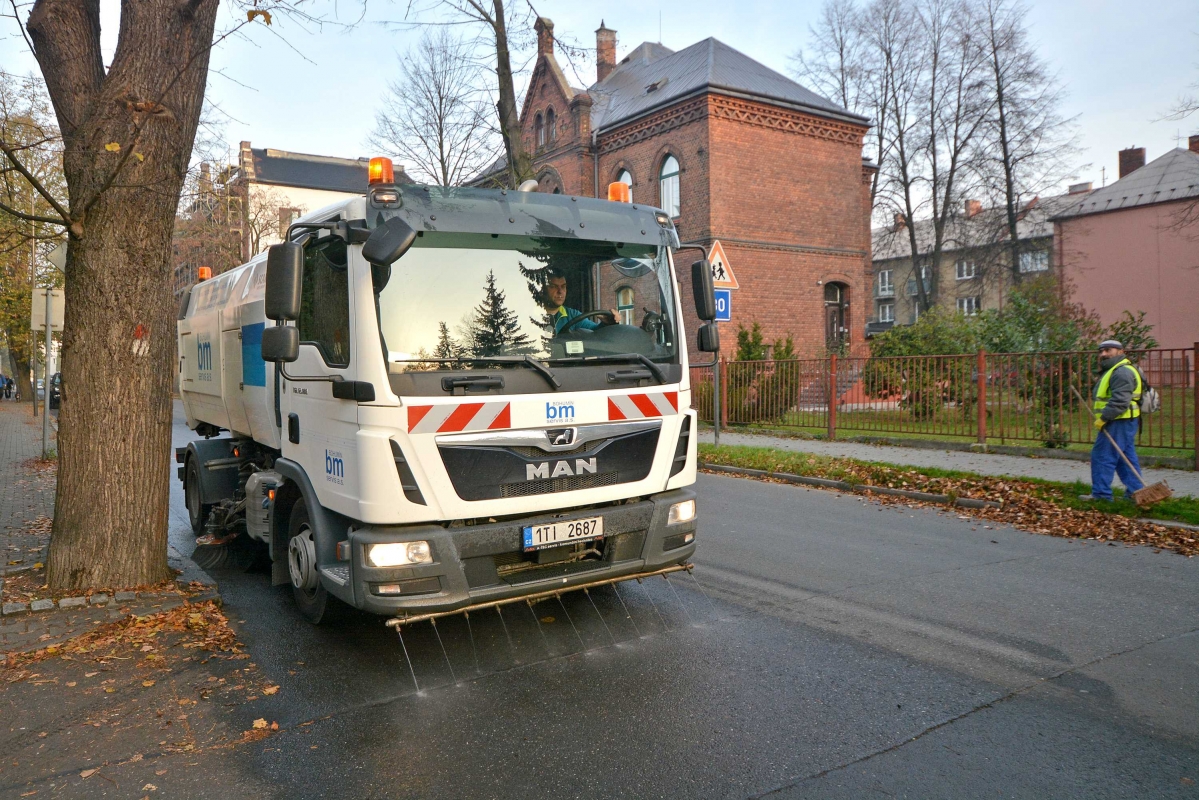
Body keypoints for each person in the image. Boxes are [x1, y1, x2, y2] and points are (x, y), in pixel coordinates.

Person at [1080, 339, 1146, 502]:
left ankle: (1101, 495)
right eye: (1101, 351)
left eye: (1108, 350)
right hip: (1123, 422)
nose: (1103, 354)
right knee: (1125, 458)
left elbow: (1120, 401)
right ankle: (1136, 492)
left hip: (1118, 421)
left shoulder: (1121, 372)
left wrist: (1103, 418)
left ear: (1121, 351)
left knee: (1102, 456)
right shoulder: (1116, 369)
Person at [542, 272, 616, 334]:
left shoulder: (572, 315)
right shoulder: (531, 314)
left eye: (563, 286)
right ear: (542, 289)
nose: (560, 291)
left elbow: (595, 331)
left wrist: (607, 323)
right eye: (553, 286)